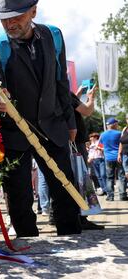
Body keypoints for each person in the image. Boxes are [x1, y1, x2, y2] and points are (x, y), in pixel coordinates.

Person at [0, 0, 81, 236]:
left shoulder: (54, 35)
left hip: (53, 127)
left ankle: (72, 237)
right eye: (5, 19)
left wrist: (70, 123)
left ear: (33, 12)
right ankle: (28, 249)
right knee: (19, 199)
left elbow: (61, 82)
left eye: (17, 17)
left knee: (65, 192)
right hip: (14, 133)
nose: (10, 24)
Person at [71, 86, 104, 230]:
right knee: (80, 179)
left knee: (69, 179)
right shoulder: (63, 90)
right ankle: (81, 218)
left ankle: (61, 215)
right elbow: (87, 110)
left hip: (64, 141)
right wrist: (91, 97)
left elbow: (73, 107)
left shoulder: (51, 89)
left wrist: (77, 95)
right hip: (74, 142)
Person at [100, 118, 127, 201]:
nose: (118, 125)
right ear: (114, 124)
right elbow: (123, 143)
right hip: (119, 157)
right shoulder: (119, 133)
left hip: (108, 158)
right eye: (117, 124)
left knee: (109, 177)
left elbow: (101, 145)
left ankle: (110, 196)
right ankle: (122, 195)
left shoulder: (103, 134)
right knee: (121, 176)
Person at [118, 114, 128, 180]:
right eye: (127, 118)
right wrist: (119, 154)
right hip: (125, 155)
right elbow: (121, 142)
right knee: (127, 173)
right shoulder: (124, 129)